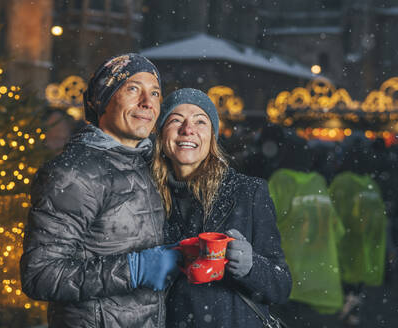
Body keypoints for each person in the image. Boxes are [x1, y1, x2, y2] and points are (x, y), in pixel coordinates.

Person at [20, 53, 181, 328]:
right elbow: (40, 275)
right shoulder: (73, 173)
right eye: (133, 89)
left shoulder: (148, 166)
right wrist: (134, 270)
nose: (147, 102)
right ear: (103, 99)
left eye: (155, 93)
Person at [152, 88, 292, 327]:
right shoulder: (143, 195)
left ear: (212, 137)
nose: (188, 129)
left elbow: (280, 285)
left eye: (200, 121)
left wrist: (250, 266)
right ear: (161, 134)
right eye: (176, 120)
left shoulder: (248, 192)